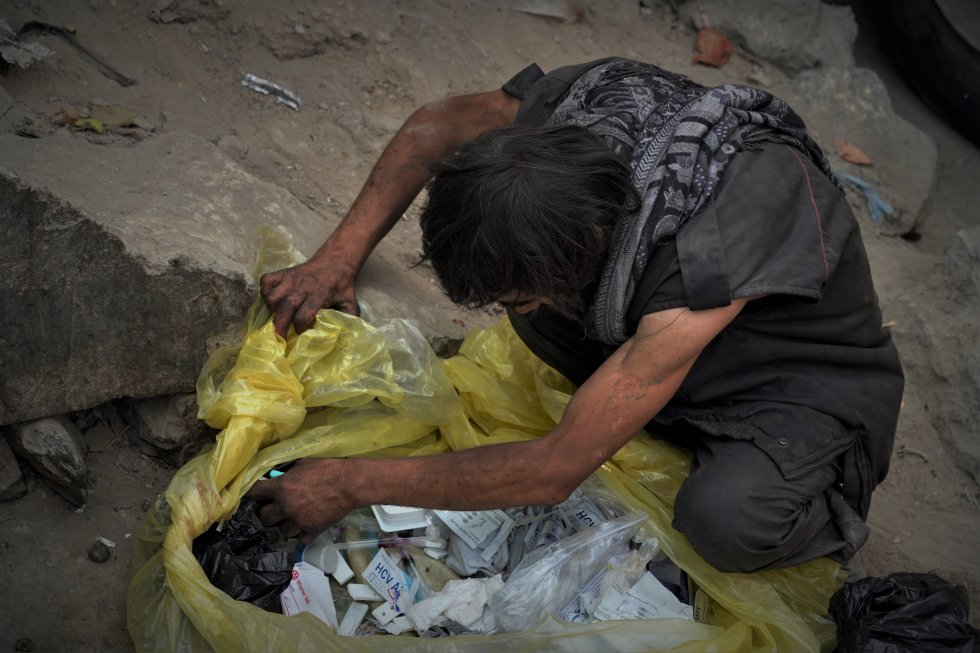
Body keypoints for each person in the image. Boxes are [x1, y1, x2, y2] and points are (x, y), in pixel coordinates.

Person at [248, 58, 904, 573]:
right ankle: (632, 403)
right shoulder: (562, 120)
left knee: (723, 520)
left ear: (588, 243)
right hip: (682, 337)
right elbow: (436, 125)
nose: (511, 312)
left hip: (792, 387)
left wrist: (346, 482)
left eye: (523, 293)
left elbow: (553, 471)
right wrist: (335, 257)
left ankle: (821, 505)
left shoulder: (708, 254)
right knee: (538, 326)